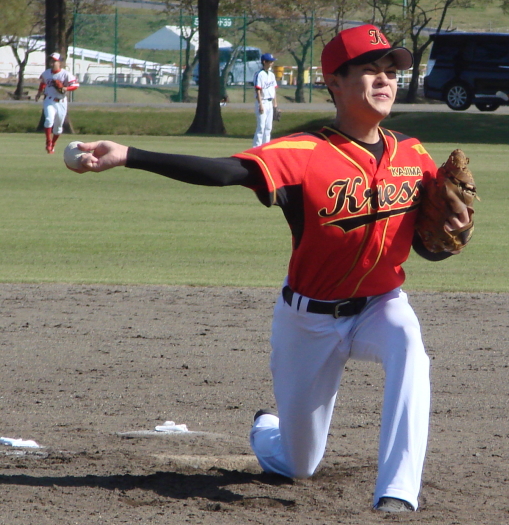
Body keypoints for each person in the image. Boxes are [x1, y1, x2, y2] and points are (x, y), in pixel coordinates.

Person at [67, 24, 472, 513]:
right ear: (335, 82)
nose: (385, 79)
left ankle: (397, 493)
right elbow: (224, 172)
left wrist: (456, 236)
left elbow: (429, 249)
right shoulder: (302, 152)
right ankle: (267, 429)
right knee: (299, 464)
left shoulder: (414, 155)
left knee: (409, 344)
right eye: (370, 70)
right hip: (309, 319)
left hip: (380, 306)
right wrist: (131, 156)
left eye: (390, 70)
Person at [36, 52, 79, 154]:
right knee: (48, 120)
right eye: (51, 60)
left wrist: (66, 88)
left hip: (61, 102)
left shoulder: (65, 74)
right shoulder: (46, 73)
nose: (52, 62)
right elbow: (43, 83)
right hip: (49, 100)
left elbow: (76, 85)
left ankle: (53, 143)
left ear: (59, 62)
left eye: (54, 60)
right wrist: (39, 93)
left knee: (58, 127)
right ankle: (48, 142)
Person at [252, 52, 278, 147]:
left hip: (270, 102)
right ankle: (256, 147)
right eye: (270, 61)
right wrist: (260, 105)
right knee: (261, 127)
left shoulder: (271, 75)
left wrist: (275, 105)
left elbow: (273, 90)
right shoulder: (259, 74)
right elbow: (258, 90)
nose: (272, 63)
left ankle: (265, 147)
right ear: (264, 62)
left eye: (272, 61)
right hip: (262, 102)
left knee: (268, 127)